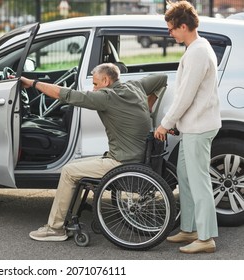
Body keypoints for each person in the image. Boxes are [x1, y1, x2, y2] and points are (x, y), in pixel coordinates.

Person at [20, 62, 167, 242]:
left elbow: (64, 94)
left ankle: (55, 229)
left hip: (122, 162)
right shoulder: (135, 86)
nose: (93, 88)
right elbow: (162, 79)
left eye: (95, 84)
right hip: (138, 157)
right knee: (75, 167)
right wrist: (148, 103)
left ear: (106, 80)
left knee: (68, 171)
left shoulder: (106, 97)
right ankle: (66, 218)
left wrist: (32, 83)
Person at [154, 1, 221, 254]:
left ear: (184, 26)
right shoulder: (197, 49)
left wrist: (165, 124)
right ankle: (190, 228)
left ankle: (206, 238)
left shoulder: (198, 52)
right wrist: (177, 123)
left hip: (198, 127)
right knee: (186, 176)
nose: (170, 34)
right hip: (193, 125)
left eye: (172, 29)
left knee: (198, 180)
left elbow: (186, 96)